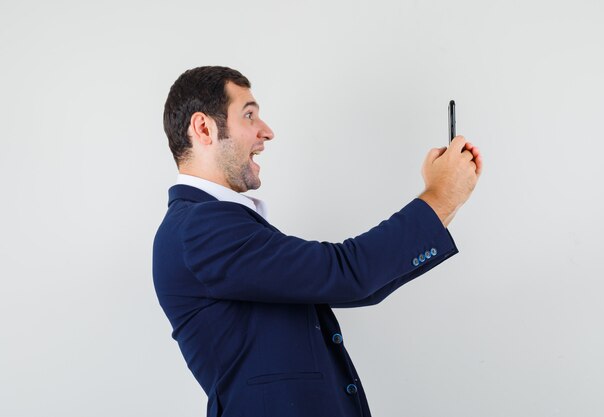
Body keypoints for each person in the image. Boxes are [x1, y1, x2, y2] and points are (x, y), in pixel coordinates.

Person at [153, 66, 483, 417]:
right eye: (249, 115)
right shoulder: (198, 227)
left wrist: (448, 197)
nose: (266, 132)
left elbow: (358, 287)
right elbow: (346, 274)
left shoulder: (212, 227)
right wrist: (440, 195)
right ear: (204, 128)